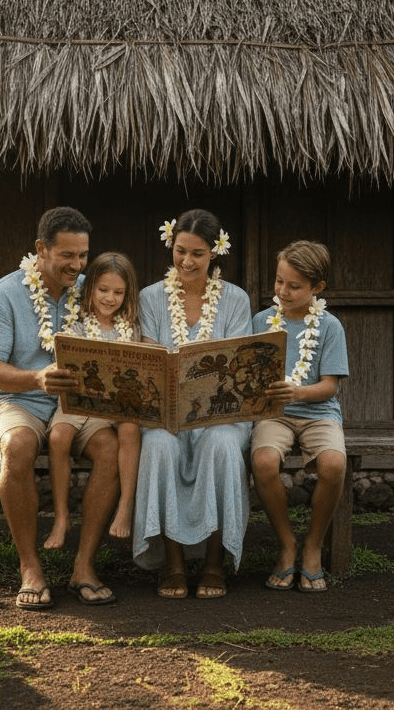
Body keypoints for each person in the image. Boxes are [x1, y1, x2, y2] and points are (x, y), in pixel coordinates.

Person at [0, 207, 120, 609]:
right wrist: (36, 378)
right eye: (67, 256)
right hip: (18, 399)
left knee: (111, 449)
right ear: (41, 249)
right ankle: (30, 566)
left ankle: (84, 566)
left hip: (78, 406)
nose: (77, 265)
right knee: (18, 447)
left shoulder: (93, 290)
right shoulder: (4, 293)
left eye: (82, 255)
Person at [134, 209, 252, 599]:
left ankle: (216, 564)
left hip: (221, 412)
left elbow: (238, 363)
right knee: (158, 445)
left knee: (220, 445)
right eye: (180, 251)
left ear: (214, 253)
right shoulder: (150, 297)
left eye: (197, 254)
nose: (187, 261)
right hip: (167, 411)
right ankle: (173, 564)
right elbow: (148, 357)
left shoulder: (235, 299)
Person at [250, 240, 350, 593]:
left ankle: (313, 545)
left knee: (334, 464)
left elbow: (329, 387)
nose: (284, 291)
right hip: (274, 414)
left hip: (318, 411)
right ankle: (287, 543)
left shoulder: (329, 326)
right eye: (279, 282)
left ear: (317, 288)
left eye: (294, 286)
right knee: (263, 461)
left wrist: (297, 392)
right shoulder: (262, 321)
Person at [44, 252, 144, 549]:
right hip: (77, 403)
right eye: (103, 290)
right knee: (59, 437)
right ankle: (61, 516)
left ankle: (125, 506)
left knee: (129, 427)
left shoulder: (132, 329)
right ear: (90, 290)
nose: (110, 298)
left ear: (127, 295)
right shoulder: (75, 325)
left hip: (112, 409)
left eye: (118, 292)